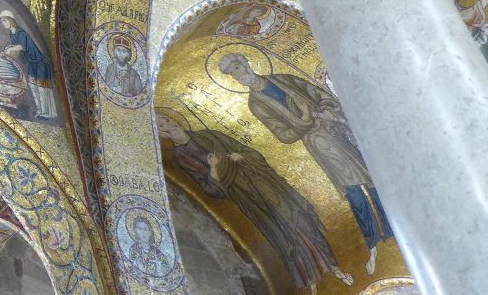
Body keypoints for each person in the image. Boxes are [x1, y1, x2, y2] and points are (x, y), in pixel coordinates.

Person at [219, 53, 393, 274]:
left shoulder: (283, 79)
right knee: (352, 187)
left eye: (237, 67)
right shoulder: (256, 105)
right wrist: (304, 121)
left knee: (370, 176)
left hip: (335, 131)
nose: (237, 74)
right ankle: (373, 241)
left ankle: (393, 226)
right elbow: (283, 135)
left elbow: (318, 94)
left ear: (246, 63)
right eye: (232, 73)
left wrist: (328, 109)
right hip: (317, 143)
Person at [156, 112, 352, 290]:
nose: (169, 124)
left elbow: (252, 153)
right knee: (283, 236)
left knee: (303, 221)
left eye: (167, 119)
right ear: (162, 135)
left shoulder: (209, 134)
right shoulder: (181, 156)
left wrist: (240, 156)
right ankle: (311, 281)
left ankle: (336, 268)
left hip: (264, 184)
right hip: (247, 198)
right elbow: (210, 190)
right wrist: (214, 167)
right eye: (162, 125)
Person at [0, 10, 55, 118]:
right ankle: (41, 111)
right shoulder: (12, 34)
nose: (3, 23)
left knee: (42, 88)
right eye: (2, 21)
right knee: (34, 87)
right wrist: (8, 51)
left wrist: (9, 50)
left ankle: (48, 113)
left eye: (4, 20)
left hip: (39, 63)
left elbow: (21, 46)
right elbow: (17, 50)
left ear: (11, 20)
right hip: (31, 63)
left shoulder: (21, 33)